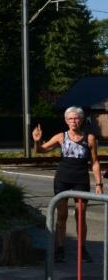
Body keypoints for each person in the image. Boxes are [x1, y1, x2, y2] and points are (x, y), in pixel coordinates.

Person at [32, 106, 102, 264]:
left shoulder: (90, 138)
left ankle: (82, 249)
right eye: (70, 118)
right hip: (62, 179)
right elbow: (41, 150)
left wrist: (99, 183)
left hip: (81, 180)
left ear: (81, 120)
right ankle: (60, 248)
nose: (73, 121)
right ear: (65, 121)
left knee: (81, 216)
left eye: (76, 118)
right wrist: (37, 142)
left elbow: (95, 162)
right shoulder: (61, 137)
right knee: (61, 216)